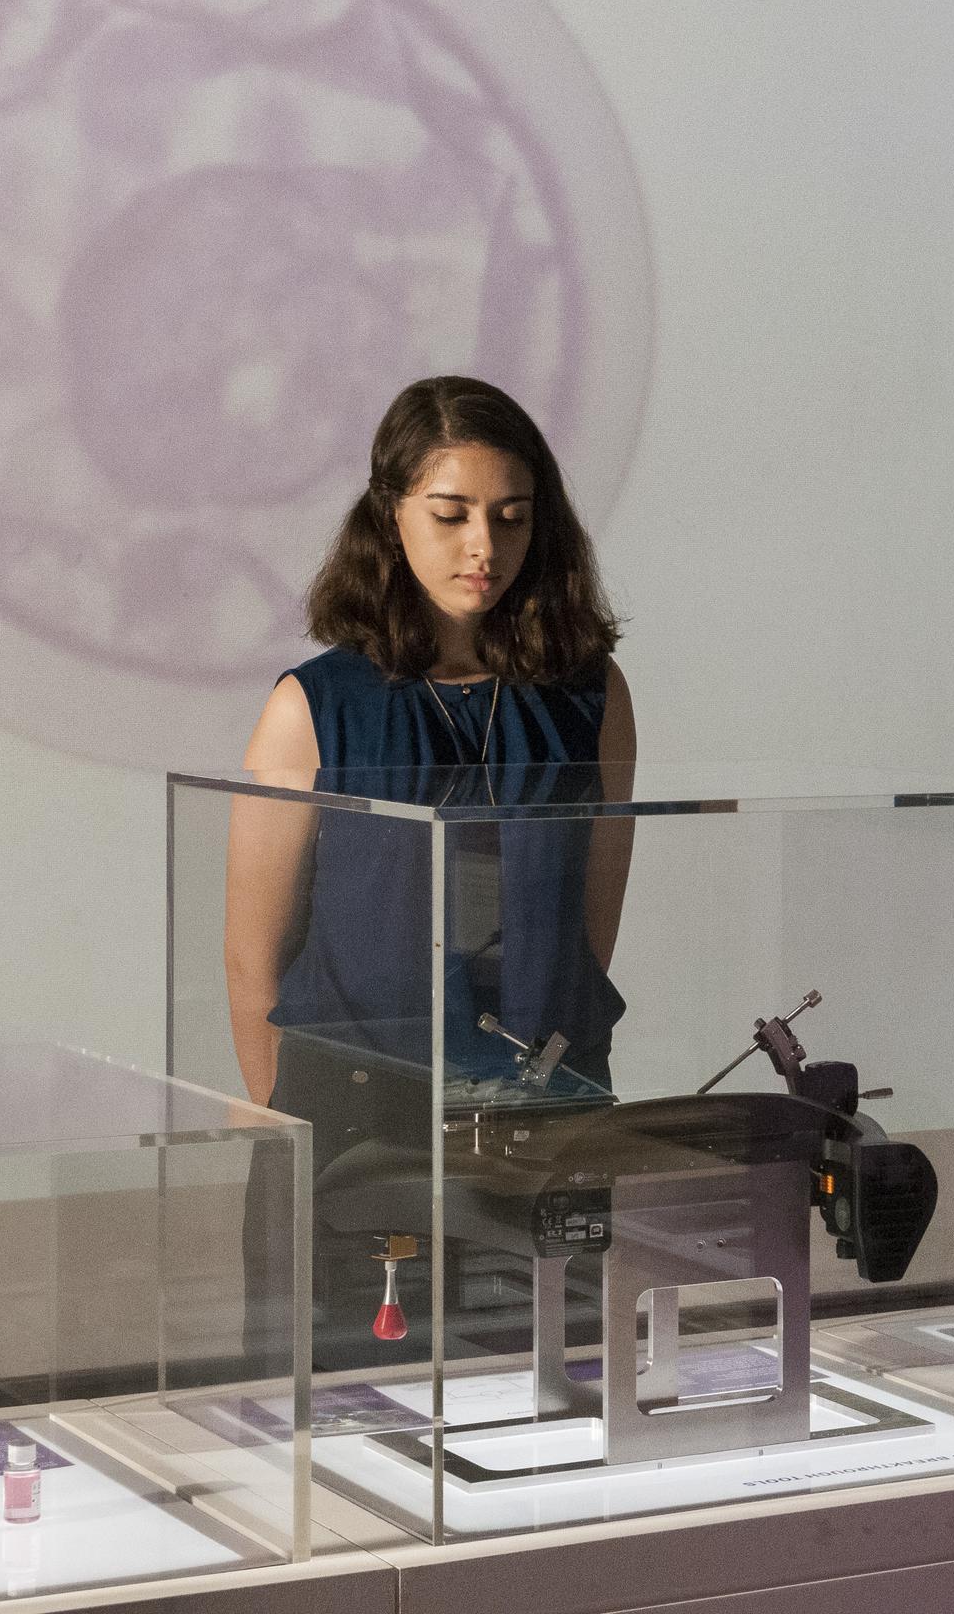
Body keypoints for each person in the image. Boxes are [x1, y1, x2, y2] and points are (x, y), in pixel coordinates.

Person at [222, 378, 637, 1366]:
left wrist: (547, 1084)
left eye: (511, 517)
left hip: (541, 1130)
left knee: (551, 1428)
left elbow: (589, 925)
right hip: (354, 1129)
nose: (483, 547)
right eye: (450, 516)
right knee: (346, 1435)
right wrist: (301, 1130)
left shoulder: (592, 695)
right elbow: (250, 959)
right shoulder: (314, 705)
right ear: (390, 515)